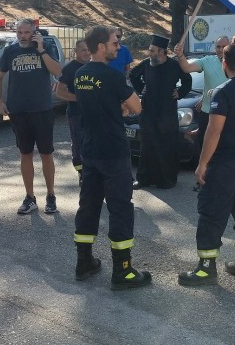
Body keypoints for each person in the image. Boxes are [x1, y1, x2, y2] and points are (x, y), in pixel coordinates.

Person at [178, 43, 235, 286]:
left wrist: (202, 164)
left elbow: (214, 131)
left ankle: (206, 269)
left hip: (227, 161)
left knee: (212, 211)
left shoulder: (223, 91)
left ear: (224, 64)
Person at [73, 25, 151, 290]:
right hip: (114, 151)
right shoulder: (113, 76)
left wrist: (116, 107)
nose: (118, 47)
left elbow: (96, 103)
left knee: (89, 205)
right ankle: (123, 270)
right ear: (100, 47)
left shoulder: (81, 74)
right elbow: (137, 106)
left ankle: (84, 262)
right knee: (120, 207)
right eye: (114, 43)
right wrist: (123, 108)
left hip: (90, 149)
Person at [0, 18, 63, 215]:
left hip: (42, 109)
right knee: (25, 153)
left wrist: (41, 50)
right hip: (18, 110)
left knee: (46, 153)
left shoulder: (45, 47)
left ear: (34, 32)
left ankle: (51, 196)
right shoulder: (10, 51)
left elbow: (58, 71)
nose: (23, 37)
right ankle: (30, 197)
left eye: (27, 33)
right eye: (20, 33)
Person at [129, 34, 192, 189]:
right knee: (148, 145)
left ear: (162, 52)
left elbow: (187, 81)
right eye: (149, 50)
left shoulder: (174, 65)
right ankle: (144, 179)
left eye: (152, 51)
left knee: (167, 145)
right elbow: (132, 75)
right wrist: (140, 89)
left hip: (167, 112)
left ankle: (166, 179)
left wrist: (180, 93)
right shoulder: (146, 64)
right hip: (148, 111)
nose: (149, 53)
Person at [173, 36, 229, 153]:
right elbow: (187, 68)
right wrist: (181, 55)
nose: (220, 49)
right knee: (205, 146)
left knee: (224, 149)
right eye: (218, 47)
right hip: (208, 113)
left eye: (224, 47)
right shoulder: (207, 61)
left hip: (228, 114)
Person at [56, 39, 92, 183]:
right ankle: (81, 172)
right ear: (75, 51)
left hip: (94, 113)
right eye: (83, 50)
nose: (87, 53)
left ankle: (94, 171)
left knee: (94, 142)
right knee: (78, 144)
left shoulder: (95, 66)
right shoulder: (70, 69)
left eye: (89, 50)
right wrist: (79, 98)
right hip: (76, 114)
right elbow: (60, 92)